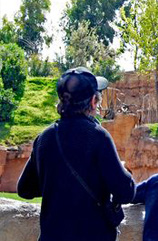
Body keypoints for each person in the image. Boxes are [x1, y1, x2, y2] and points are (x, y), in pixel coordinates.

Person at [17, 67, 135, 241]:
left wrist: (59, 185)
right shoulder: (98, 136)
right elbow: (125, 192)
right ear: (94, 101)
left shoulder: (45, 138)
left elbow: (25, 189)